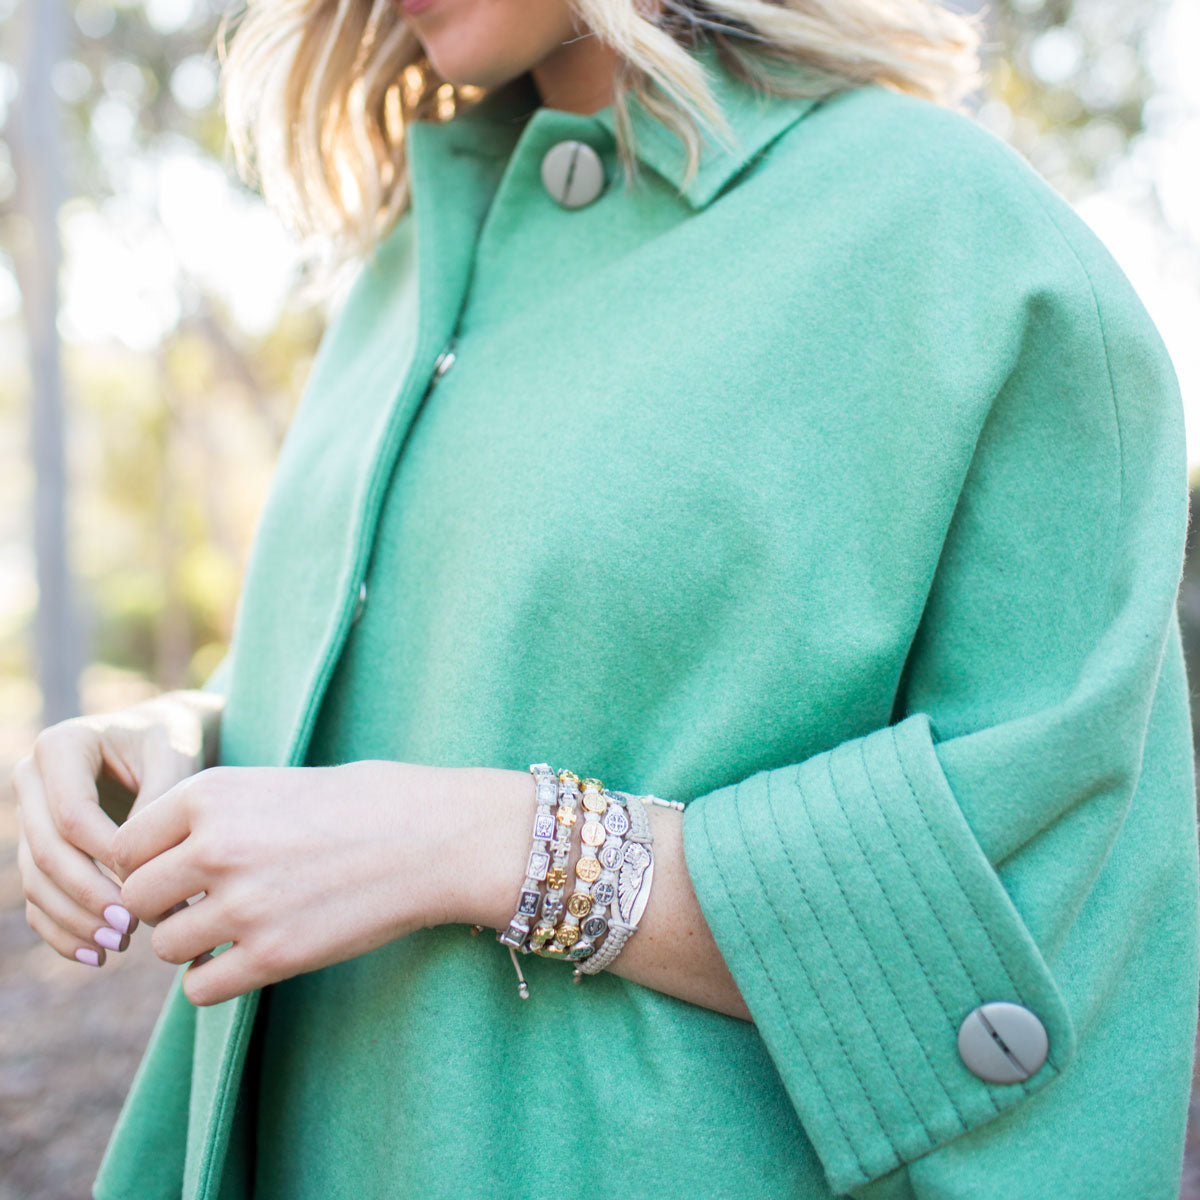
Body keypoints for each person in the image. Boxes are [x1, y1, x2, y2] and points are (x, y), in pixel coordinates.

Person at [14, 0, 1198, 1196]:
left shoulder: (962, 242)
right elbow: (450, 651)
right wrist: (184, 734)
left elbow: (1031, 916)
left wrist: (492, 845)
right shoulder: (416, 249)